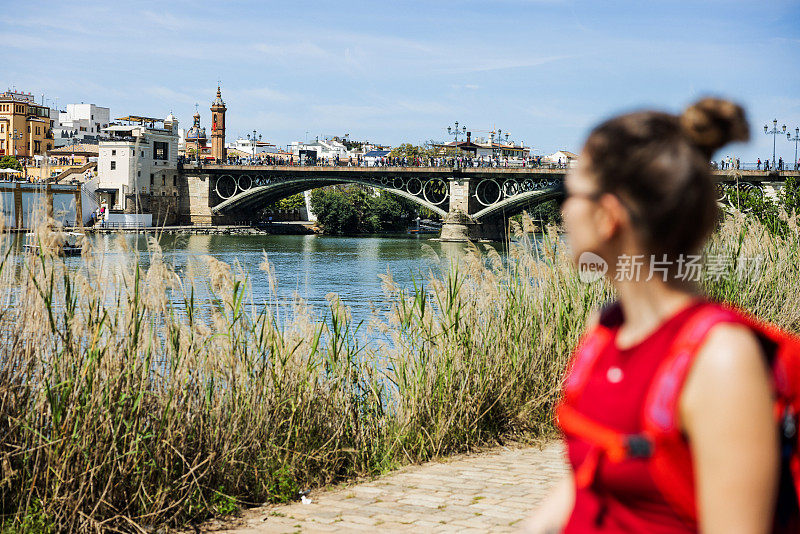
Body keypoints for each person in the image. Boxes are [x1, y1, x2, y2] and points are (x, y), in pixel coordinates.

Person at [523, 98, 778, 533]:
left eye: (571, 194)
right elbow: (590, 480)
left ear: (608, 216)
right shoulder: (605, 330)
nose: (563, 210)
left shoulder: (720, 361)